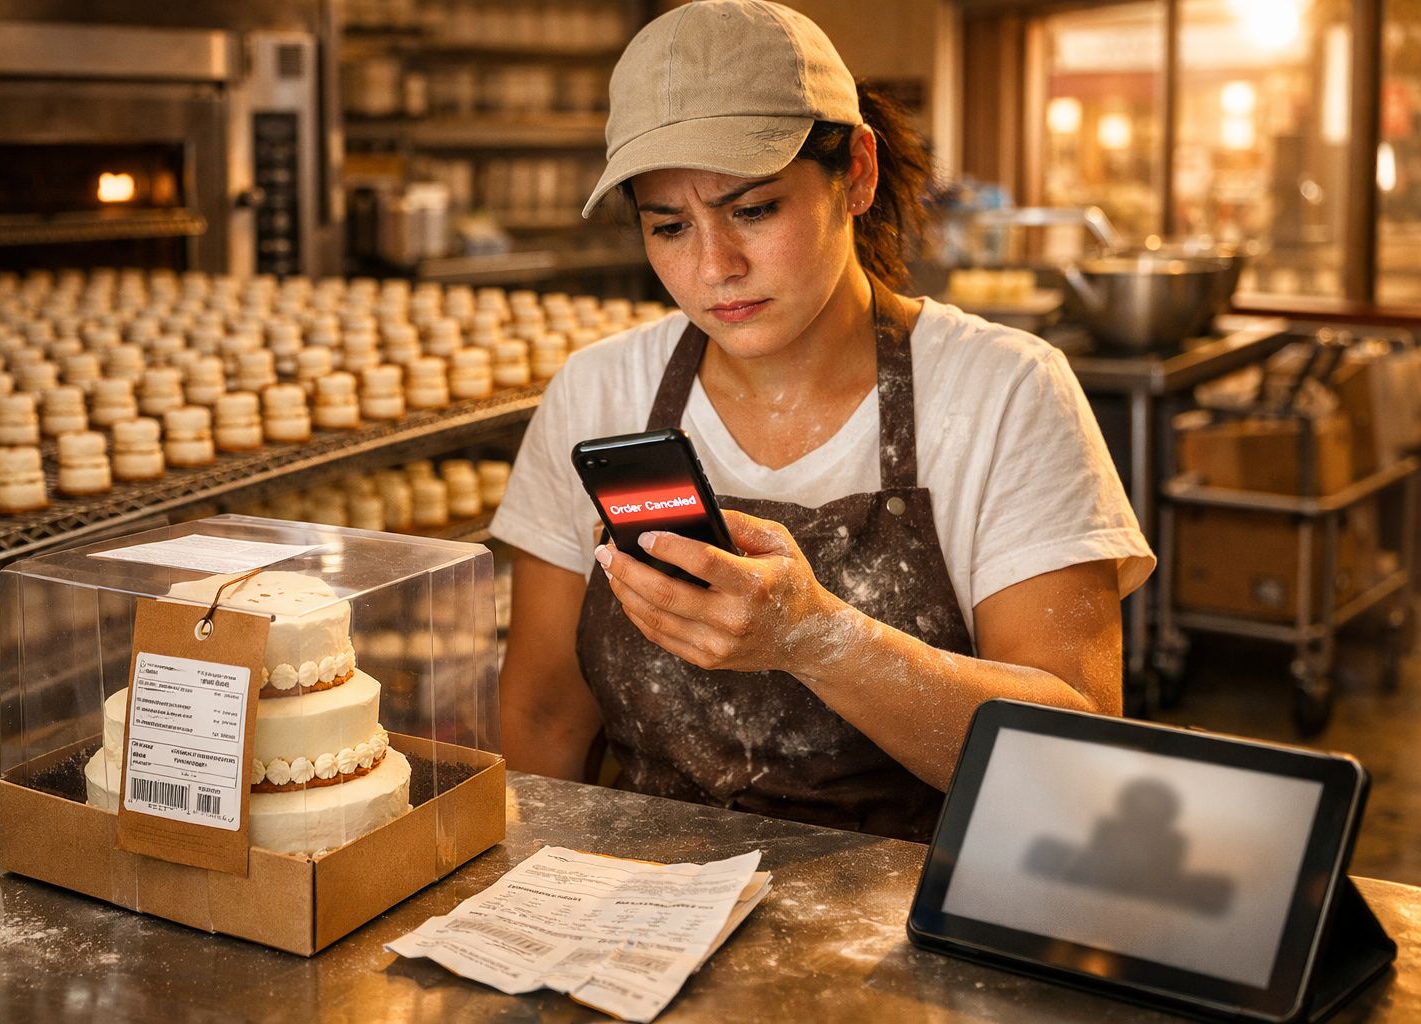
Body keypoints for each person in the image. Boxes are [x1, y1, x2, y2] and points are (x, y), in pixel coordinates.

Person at [487, 0, 1154, 841]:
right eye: (668, 226)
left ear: (859, 175)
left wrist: (814, 638)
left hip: (908, 919)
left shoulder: (1004, 393)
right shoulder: (598, 391)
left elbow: (1077, 762)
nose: (714, 268)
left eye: (754, 210)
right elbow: (546, 716)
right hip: (640, 909)